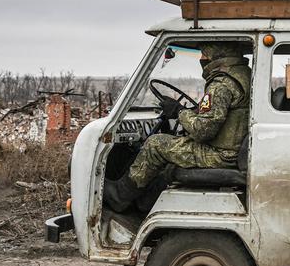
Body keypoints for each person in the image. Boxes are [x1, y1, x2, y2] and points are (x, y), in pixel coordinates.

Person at [104, 41, 252, 212]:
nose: (202, 58)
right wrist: (189, 112)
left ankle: (119, 196)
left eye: (204, 53)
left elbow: (203, 130)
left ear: (216, 54)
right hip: (232, 151)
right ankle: (146, 202)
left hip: (220, 155)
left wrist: (179, 112)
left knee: (155, 144)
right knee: (172, 149)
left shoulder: (221, 84)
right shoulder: (243, 76)